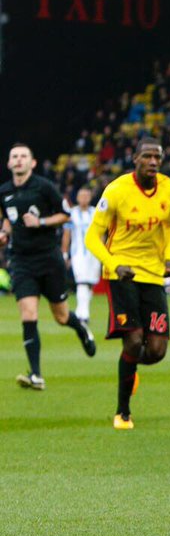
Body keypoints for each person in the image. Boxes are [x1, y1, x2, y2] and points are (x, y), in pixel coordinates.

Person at [84, 139, 170, 429]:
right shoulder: (116, 190)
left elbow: (169, 226)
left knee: (157, 350)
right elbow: (92, 237)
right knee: (135, 339)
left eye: (157, 157)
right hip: (122, 274)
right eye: (147, 156)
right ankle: (122, 412)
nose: (153, 162)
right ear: (135, 158)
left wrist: (168, 257)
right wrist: (114, 264)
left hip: (153, 275)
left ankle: (129, 367)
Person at [1, 143, 96, 391]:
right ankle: (36, 375)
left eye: (23, 156)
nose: (19, 160)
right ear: (9, 163)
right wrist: (4, 233)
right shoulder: (4, 191)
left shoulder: (44, 187)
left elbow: (66, 214)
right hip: (21, 261)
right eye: (14, 156)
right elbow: (8, 219)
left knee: (61, 316)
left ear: (32, 163)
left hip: (48, 259)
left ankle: (81, 328)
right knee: (28, 313)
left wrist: (41, 221)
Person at [63, 186, 100, 324]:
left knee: (90, 283)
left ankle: (83, 309)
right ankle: (82, 314)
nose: (84, 198)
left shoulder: (96, 212)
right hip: (78, 253)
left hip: (94, 253)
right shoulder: (72, 214)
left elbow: (101, 233)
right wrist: (65, 254)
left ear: (90, 198)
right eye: (81, 196)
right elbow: (67, 235)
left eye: (86, 196)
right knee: (82, 281)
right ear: (77, 198)